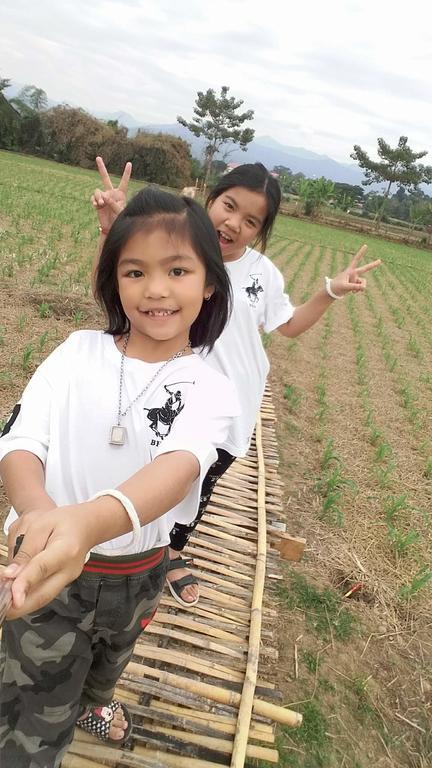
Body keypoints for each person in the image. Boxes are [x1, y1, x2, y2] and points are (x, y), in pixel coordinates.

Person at [0, 186, 238, 767]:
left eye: (177, 270)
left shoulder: (211, 389)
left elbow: (177, 470)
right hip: (49, 566)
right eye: (135, 271)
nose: (155, 289)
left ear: (209, 283)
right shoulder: (77, 354)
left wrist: (87, 522)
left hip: (137, 573)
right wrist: (39, 514)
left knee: (113, 655)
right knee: (33, 716)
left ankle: (98, 699)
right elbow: (22, 444)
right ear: (114, 280)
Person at [90, 159, 381, 607]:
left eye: (251, 221)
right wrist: (114, 230)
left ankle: (171, 552)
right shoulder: (175, 254)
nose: (234, 223)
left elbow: (288, 326)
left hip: (230, 409)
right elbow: (120, 288)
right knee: (148, 472)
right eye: (229, 206)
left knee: (199, 487)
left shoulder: (262, 274)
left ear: (260, 231)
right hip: (169, 396)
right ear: (210, 198)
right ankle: (126, 546)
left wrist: (330, 290)